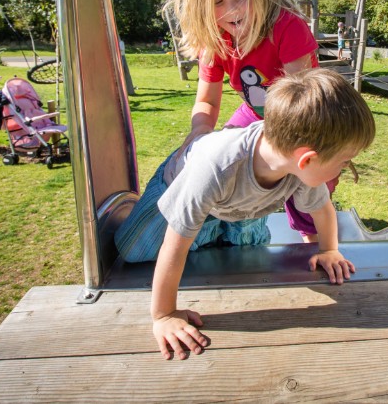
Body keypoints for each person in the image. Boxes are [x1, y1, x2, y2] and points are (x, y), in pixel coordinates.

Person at [133, 68, 375, 360]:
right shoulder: (215, 168)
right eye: (344, 162)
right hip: (182, 184)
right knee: (135, 251)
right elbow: (175, 242)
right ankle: (149, 216)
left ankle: (213, 228)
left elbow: (322, 209)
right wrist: (164, 314)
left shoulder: (297, 167)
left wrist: (329, 250)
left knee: (244, 255)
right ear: (307, 159)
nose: (343, 170)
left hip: (241, 206)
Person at [163, 0, 343, 242]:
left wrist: (282, 153)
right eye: (218, 2)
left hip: (307, 114)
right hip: (255, 112)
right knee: (228, 164)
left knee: (304, 181)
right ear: (202, 5)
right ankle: (233, 225)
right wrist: (201, 129)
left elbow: (303, 98)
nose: (231, 10)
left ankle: (313, 242)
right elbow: (206, 100)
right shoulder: (216, 41)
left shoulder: (287, 27)